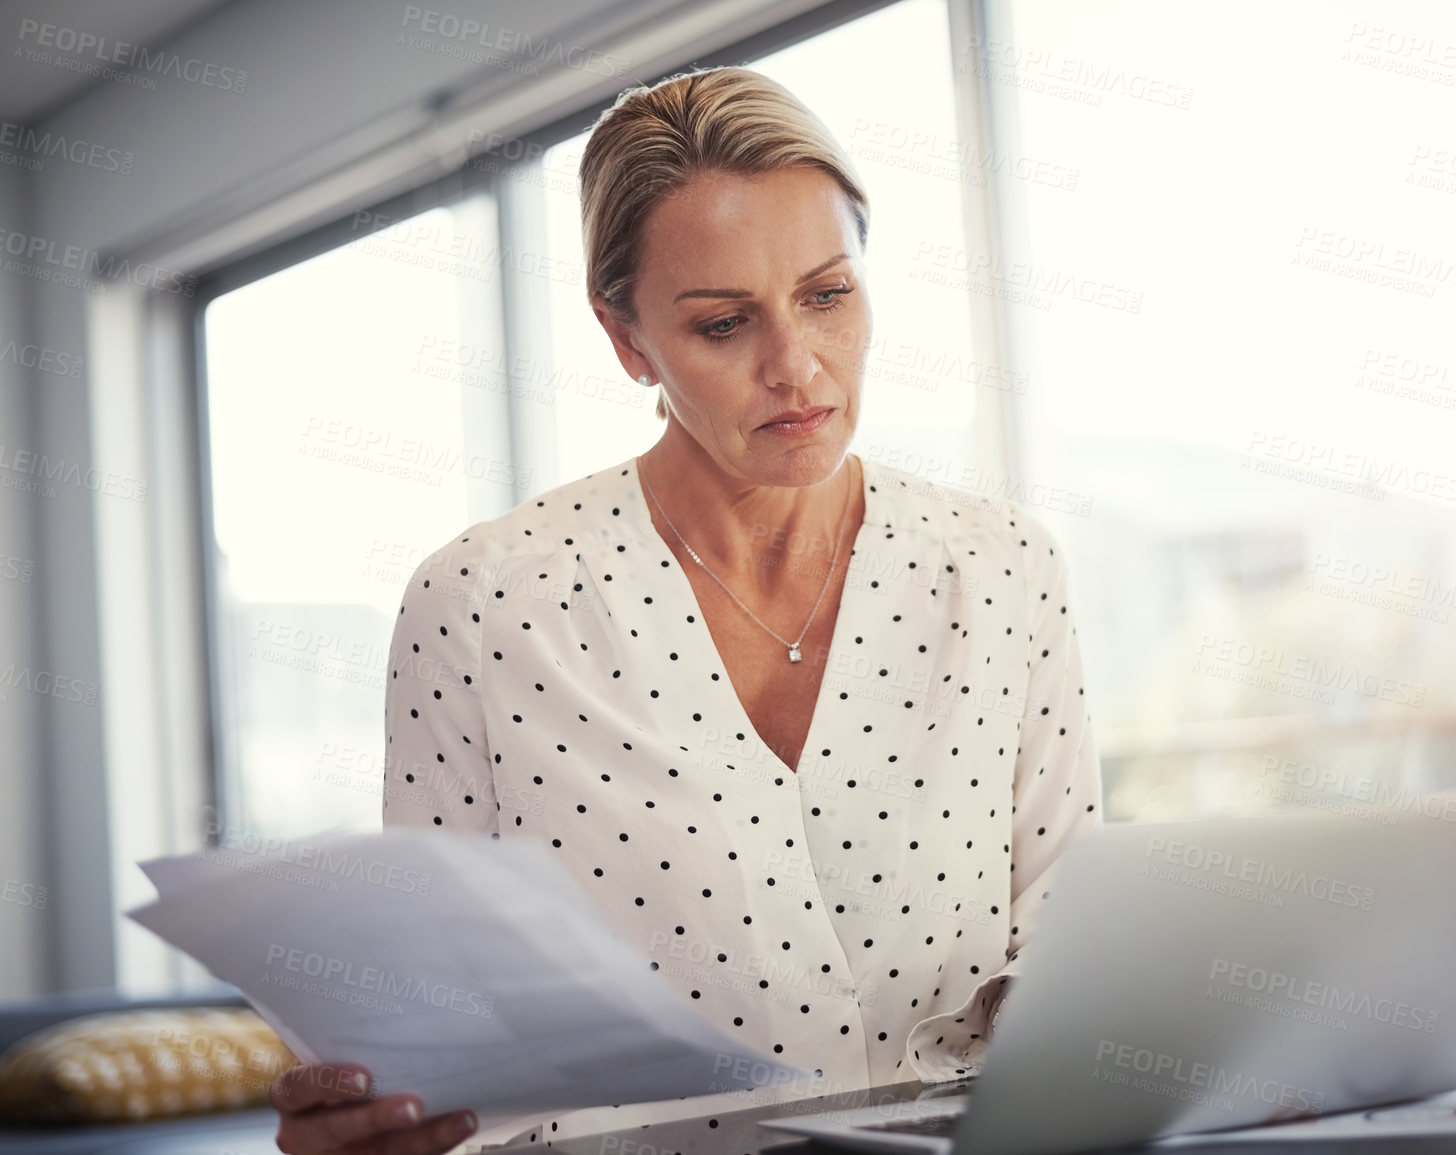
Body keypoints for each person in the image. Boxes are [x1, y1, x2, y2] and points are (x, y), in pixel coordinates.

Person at [270, 65, 1101, 1155]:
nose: (797, 367)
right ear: (628, 341)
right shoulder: (484, 606)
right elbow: (446, 1045)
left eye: (827, 294)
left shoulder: (1001, 569)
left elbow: (1073, 958)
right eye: (722, 325)